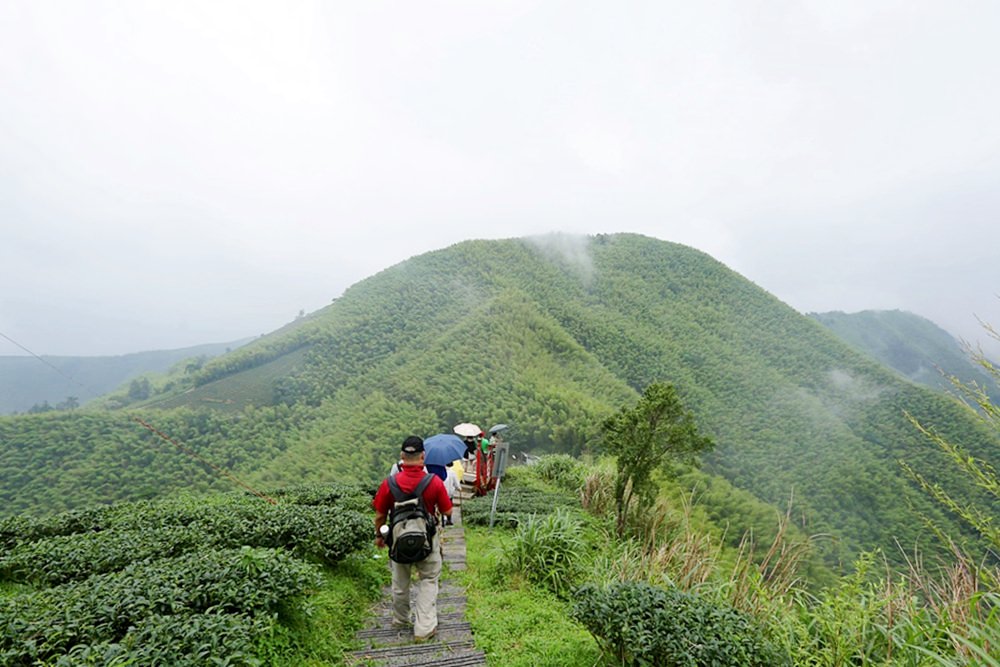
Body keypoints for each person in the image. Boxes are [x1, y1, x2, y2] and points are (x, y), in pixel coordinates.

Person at [373, 436, 453, 642]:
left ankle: (400, 620)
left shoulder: (389, 483)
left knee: (400, 584)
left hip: (398, 540)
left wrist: (379, 537)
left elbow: (380, 514)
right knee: (428, 579)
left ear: (401, 457)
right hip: (427, 540)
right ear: (422, 457)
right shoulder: (433, 482)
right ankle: (424, 628)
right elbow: (447, 509)